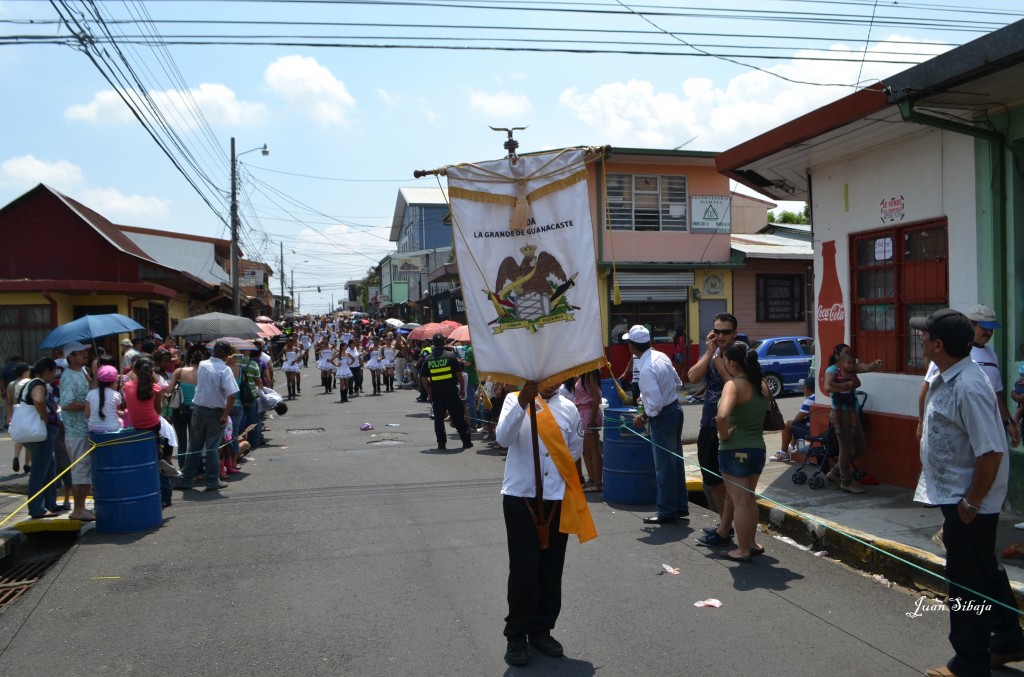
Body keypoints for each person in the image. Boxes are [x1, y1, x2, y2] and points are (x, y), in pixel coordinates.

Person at [911, 309, 1024, 677]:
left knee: (967, 588)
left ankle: (969, 664)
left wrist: (972, 503)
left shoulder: (968, 385)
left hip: (969, 504)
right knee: (984, 573)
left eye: (925, 336)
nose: (921, 339)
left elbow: (991, 451)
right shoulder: (950, 375)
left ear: (939, 344)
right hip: (958, 499)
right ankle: (1009, 639)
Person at [495, 379, 593, 667]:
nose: (549, 384)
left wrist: (552, 471)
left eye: (554, 377)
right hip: (520, 495)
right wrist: (524, 401)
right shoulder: (515, 400)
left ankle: (542, 629)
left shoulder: (568, 407)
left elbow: (574, 448)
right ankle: (516, 635)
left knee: (551, 567)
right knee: (524, 569)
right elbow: (503, 438)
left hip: (556, 498)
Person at [713, 342, 769, 562]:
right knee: (749, 498)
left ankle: (743, 549)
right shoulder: (762, 384)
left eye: (725, 361)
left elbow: (722, 416)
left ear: (732, 363)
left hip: (735, 449)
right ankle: (752, 543)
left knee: (741, 501)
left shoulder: (734, 386)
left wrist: (724, 435)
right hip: (758, 448)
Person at [626, 325, 686, 524]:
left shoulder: (644, 369)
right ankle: (678, 506)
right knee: (675, 463)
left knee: (663, 467)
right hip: (675, 409)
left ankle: (667, 511)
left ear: (632, 346)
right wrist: (648, 398)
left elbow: (657, 405)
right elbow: (678, 383)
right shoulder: (662, 356)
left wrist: (642, 417)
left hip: (663, 416)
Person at [690, 312, 738, 546]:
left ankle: (727, 529)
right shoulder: (713, 354)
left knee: (730, 481)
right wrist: (709, 353)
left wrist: (720, 367)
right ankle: (724, 526)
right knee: (711, 478)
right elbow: (692, 376)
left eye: (725, 331)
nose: (720, 336)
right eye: (716, 331)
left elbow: (739, 386)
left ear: (734, 333)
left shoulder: (740, 354)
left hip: (731, 426)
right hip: (708, 423)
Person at [177, 340, 238, 492]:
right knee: (212, 448)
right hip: (215, 412)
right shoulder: (225, 370)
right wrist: (225, 414)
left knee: (194, 446)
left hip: (198, 409)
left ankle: (186, 479)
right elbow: (232, 395)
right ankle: (212, 481)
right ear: (226, 354)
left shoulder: (203, 364)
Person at [22, 358, 63, 519]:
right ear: (46, 371)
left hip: (45, 433)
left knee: (49, 468)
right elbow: (39, 400)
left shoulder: (35, 383)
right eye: (53, 372)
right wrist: (45, 418)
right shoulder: (38, 384)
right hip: (42, 433)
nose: (54, 375)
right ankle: (36, 508)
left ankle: (49, 503)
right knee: (39, 471)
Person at [58, 341, 94, 521]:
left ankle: (81, 508)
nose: (84, 355)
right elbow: (66, 404)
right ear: (70, 357)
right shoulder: (68, 377)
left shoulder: (82, 371)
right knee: (80, 471)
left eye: (85, 353)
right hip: (75, 431)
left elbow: (92, 389)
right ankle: (78, 509)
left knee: (85, 470)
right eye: (80, 353)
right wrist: (87, 405)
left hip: (85, 428)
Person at [823, 349, 867, 494]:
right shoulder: (833, 371)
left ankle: (835, 472)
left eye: (852, 362)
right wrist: (844, 386)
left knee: (860, 447)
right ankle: (845, 481)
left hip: (853, 409)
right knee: (845, 449)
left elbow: (857, 383)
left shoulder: (852, 372)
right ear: (839, 360)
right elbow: (828, 386)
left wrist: (850, 383)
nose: (851, 364)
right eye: (848, 361)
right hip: (840, 413)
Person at [421, 333, 472, 450]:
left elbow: (424, 378)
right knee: (458, 416)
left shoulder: (428, 359)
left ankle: (441, 443)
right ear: (444, 343)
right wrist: (463, 389)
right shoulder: (451, 356)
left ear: (433, 343)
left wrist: (429, 392)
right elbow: (459, 375)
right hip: (451, 391)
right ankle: (466, 441)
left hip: (436, 392)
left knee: (438, 419)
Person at [771, 376, 814, 462]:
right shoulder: (819, 397)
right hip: (821, 429)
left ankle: (783, 453)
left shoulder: (810, 400)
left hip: (814, 432)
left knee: (788, 425)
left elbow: (797, 419)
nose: (802, 389)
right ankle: (790, 447)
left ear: (807, 388)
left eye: (803, 387)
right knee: (796, 424)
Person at [574, 369, 603, 492]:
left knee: (593, 449)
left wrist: (592, 419)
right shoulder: (583, 374)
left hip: (588, 413)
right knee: (585, 450)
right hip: (582, 413)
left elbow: (596, 396)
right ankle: (592, 480)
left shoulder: (589, 373)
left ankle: (597, 482)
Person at [6, 362, 30, 473]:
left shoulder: (11, 384)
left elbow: (9, 402)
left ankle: (16, 457)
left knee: (19, 438)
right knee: (29, 440)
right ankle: (26, 464)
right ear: (25, 372)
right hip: (28, 412)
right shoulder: (29, 383)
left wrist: (9, 415)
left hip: (16, 412)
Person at [85, 365, 122, 433]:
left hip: (93, 428)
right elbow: (115, 412)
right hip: (112, 428)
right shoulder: (116, 394)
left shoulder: (90, 393)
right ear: (113, 382)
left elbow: (87, 413)